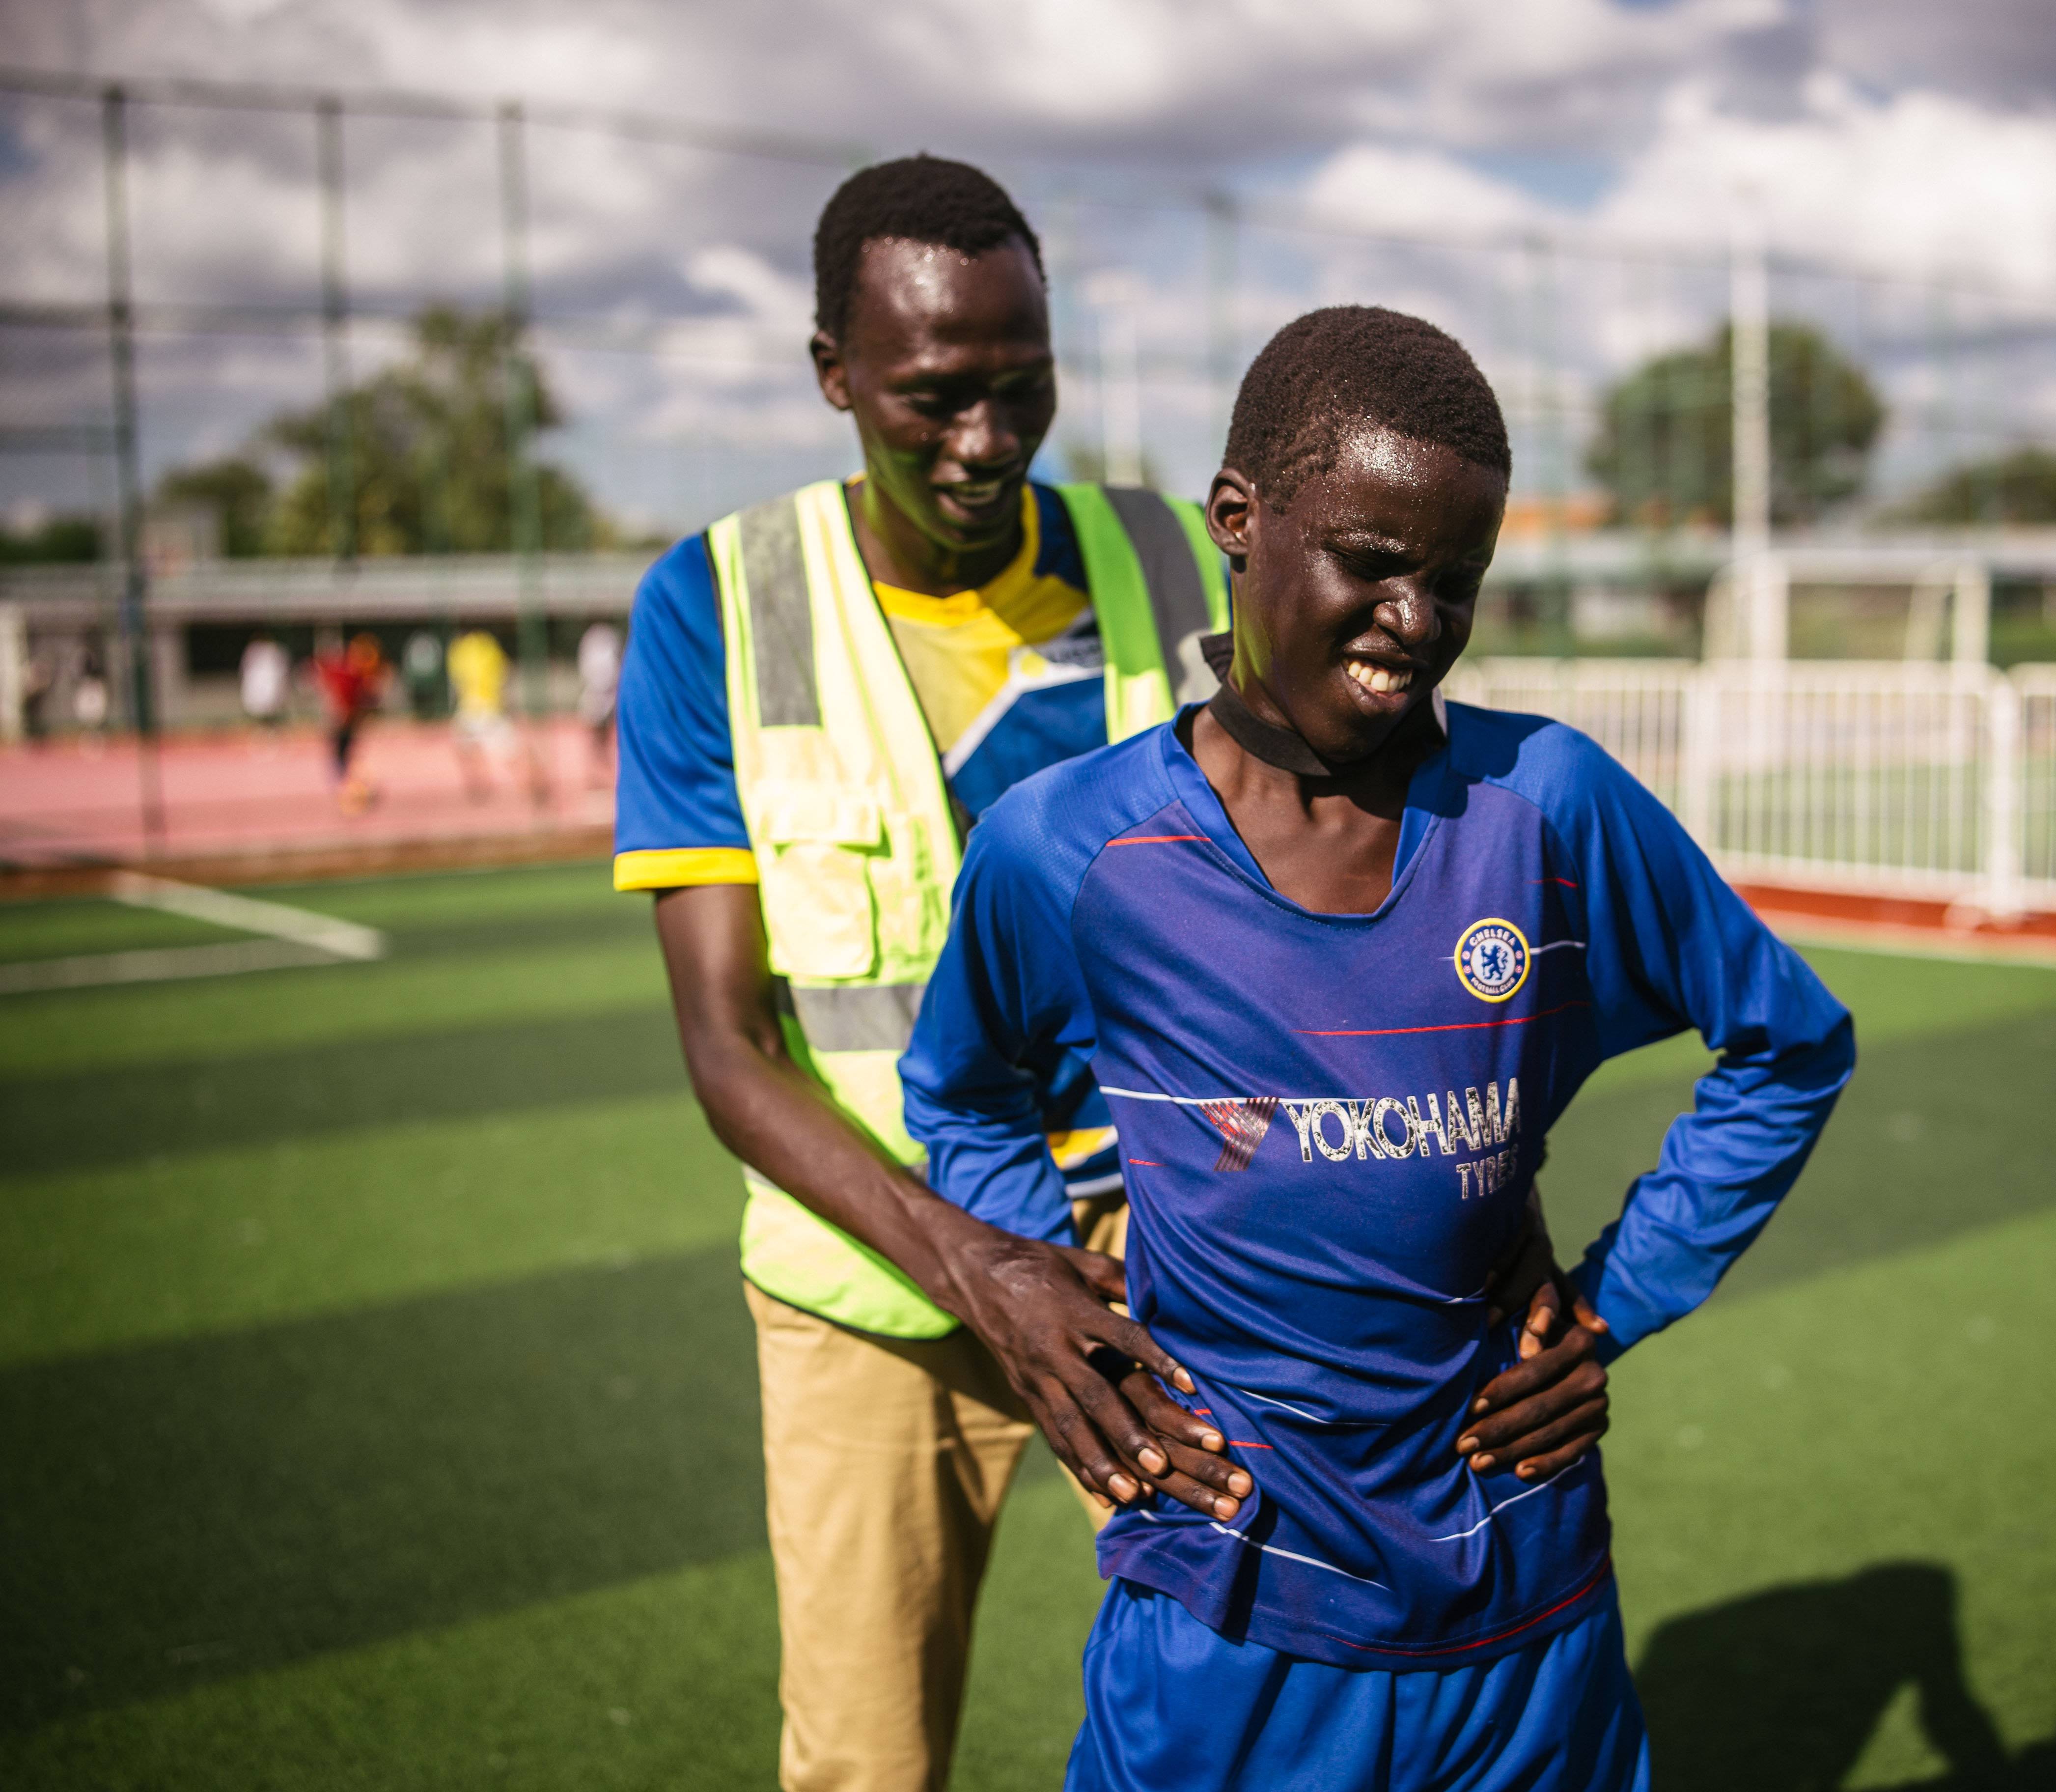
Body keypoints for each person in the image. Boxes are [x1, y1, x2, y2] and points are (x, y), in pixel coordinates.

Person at [611, 158, 1577, 1792]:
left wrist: (1489, 1210)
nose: (986, 441)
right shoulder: (714, 605)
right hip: (876, 1295)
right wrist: (987, 1264)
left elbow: (1352, 871)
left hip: (1193, 1264)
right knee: (864, 1761)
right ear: (833, 375)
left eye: (1022, 385)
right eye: (932, 397)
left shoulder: (1162, 547)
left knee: (1294, 1711)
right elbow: (726, 1043)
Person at [899, 307, 1857, 1792]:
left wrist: (1612, 1304)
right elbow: (960, 1092)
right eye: (1371, 560)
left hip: (1523, 1604)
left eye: (1456, 579)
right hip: (1228, 1619)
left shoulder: (1549, 803)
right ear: (1240, 520)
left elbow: (1788, 1046)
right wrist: (1040, 1295)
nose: (1417, 620)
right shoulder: (1070, 850)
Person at [448, 626, 548, 806]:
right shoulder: (487, 646)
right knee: (511, 755)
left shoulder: (459, 650)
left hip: (479, 710)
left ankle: (532, 785)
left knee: (471, 750)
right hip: (485, 710)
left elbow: (459, 681)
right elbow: (504, 674)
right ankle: (535, 787)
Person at [313, 631, 386, 813]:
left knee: (341, 763)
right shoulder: (354, 674)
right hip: (346, 723)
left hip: (344, 723)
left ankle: (360, 792)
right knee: (342, 762)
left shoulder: (353, 675)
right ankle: (358, 792)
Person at [576, 619, 621, 785]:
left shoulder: (606, 637)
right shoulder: (596, 638)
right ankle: (597, 774)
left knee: (610, 735)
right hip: (597, 693)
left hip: (609, 693)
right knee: (594, 737)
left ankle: (609, 771)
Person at [238, 632, 290, 733]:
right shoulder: (256, 651)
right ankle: (265, 727)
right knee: (262, 707)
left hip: (268, 684)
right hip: (261, 685)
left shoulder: (271, 651)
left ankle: (269, 727)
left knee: (270, 706)